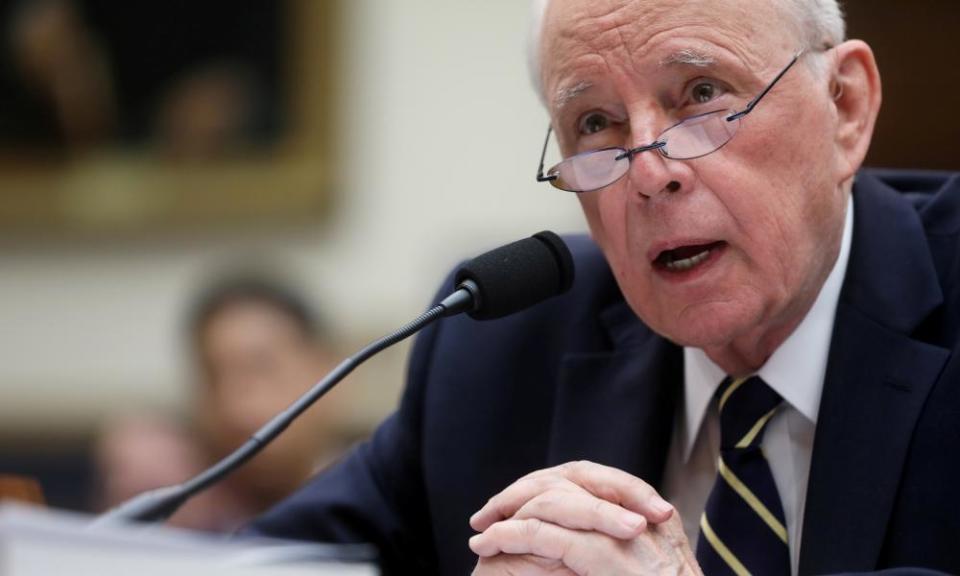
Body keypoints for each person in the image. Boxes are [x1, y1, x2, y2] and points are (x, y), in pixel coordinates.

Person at [246, 0, 960, 574]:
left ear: (845, 107)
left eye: (702, 94)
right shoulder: (500, 344)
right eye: (595, 123)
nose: (649, 173)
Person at [96, 274, 342, 531]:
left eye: (261, 369)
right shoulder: (169, 482)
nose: (235, 407)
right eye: (212, 376)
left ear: (328, 371)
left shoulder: (367, 486)